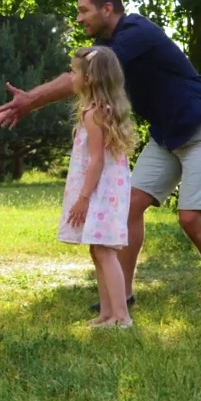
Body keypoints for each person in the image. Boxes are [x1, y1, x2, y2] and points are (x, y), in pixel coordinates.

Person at [0, 0, 201, 314]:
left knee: (191, 219)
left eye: (83, 10)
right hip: (168, 135)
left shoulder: (135, 32)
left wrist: (23, 103)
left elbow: (84, 75)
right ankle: (122, 295)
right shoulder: (112, 45)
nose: (79, 19)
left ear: (107, 8)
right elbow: (82, 76)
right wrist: (12, 108)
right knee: (129, 206)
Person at [58, 46, 136, 328]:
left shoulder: (94, 115)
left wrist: (83, 198)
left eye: (74, 71)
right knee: (98, 249)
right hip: (104, 190)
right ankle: (107, 313)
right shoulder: (100, 111)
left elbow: (96, 161)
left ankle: (121, 316)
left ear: (89, 78)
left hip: (99, 191)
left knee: (104, 250)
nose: (70, 75)